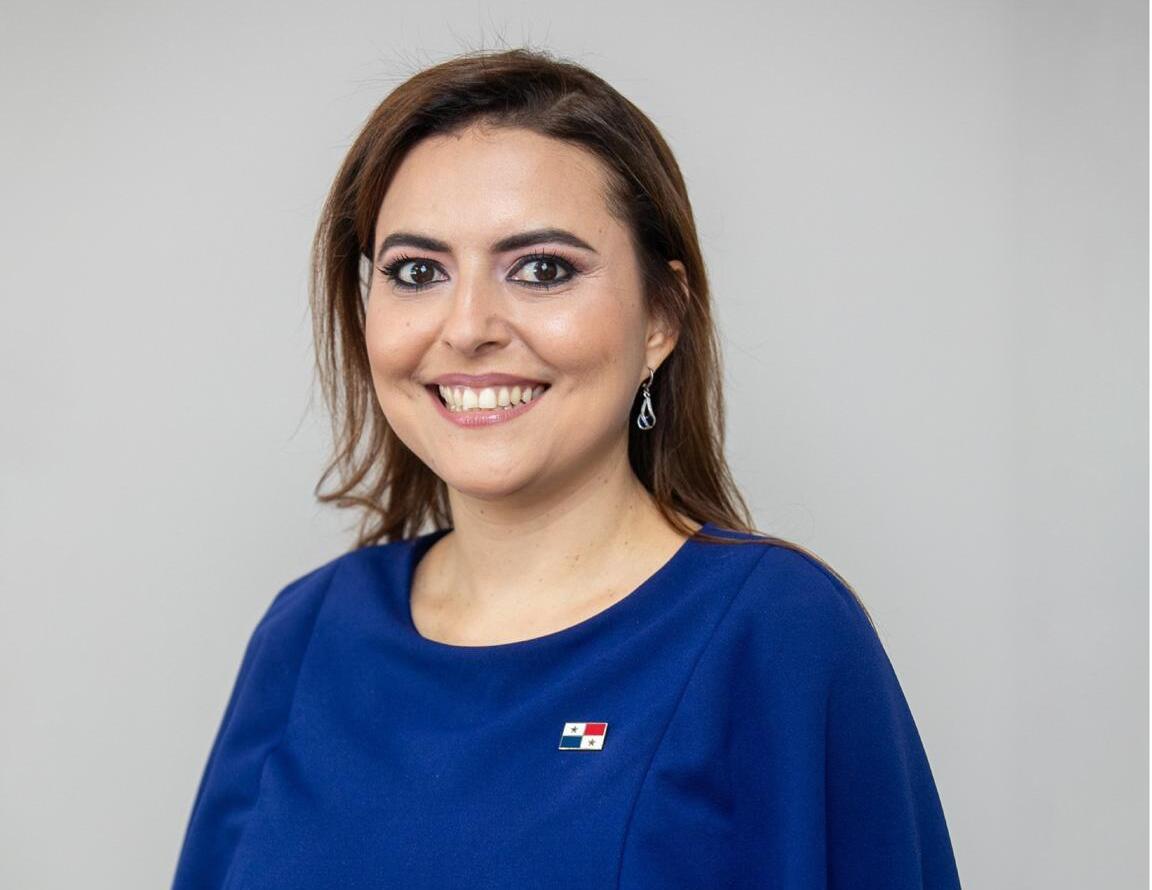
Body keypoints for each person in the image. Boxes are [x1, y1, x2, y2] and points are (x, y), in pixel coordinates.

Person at [171, 47, 962, 889]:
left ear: (661, 318)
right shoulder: (305, 632)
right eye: (417, 272)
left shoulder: (777, 633)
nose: (467, 326)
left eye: (542, 270)